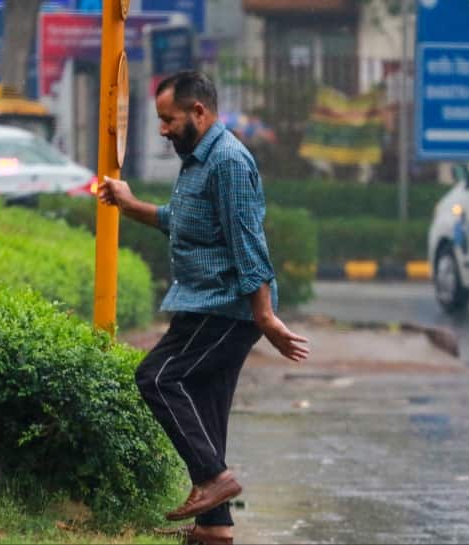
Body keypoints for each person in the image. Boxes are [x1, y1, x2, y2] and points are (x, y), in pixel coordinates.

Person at [98, 70, 310, 545]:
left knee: (157, 377)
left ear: (199, 111)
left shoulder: (229, 161)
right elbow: (185, 223)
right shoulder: (198, 159)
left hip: (224, 306)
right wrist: (129, 204)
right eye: (159, 120)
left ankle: (213, 478)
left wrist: (265, 317)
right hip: (205, 301)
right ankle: (215, 528)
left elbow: (247, 240)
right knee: (208, 409)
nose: (163, 129)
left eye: (169, 119)